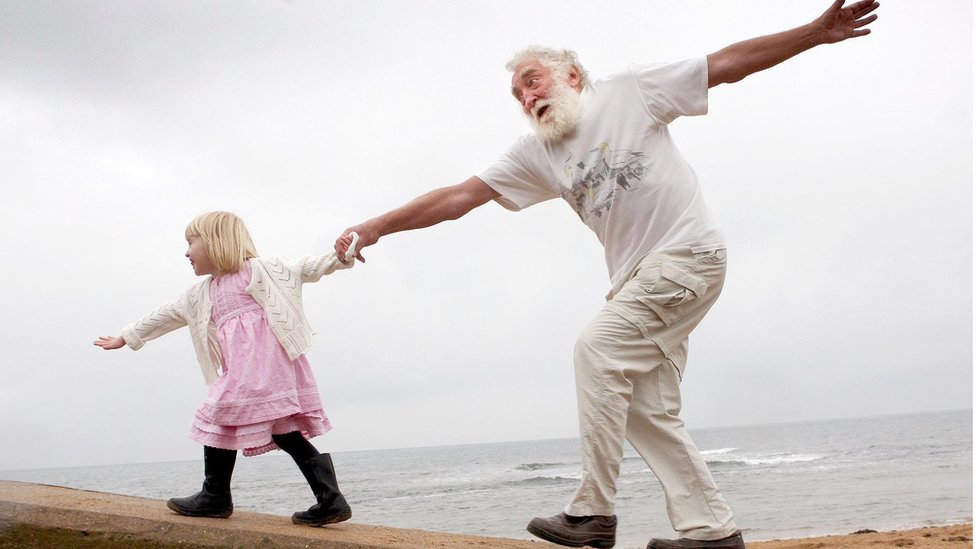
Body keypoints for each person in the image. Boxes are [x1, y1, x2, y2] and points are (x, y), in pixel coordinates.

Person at [335, 1, 879, 548]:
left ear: (572, 75)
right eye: (518, 94)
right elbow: (459, 196)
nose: (528, 96)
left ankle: (592, 512)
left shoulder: (628, 90)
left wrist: (814, 33)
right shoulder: (538, 152)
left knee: (595, 351)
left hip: (685, 257)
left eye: (534, 79)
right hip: (641, 282)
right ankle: (711, 532)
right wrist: (377, 225)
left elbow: (726, 63)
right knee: (645, 410)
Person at [94, 211, 360, 527]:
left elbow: (307, 268)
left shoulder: (264, 271)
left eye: (191, 242)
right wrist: (127, 335)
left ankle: (215, 495)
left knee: (218, 413)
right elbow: (166, 314)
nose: (186, 252)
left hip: (266, 370)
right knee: (285, 431)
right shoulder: (202, 293)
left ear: (216, 242)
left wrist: (340, 255)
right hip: (252, 374)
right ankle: (330, 499)